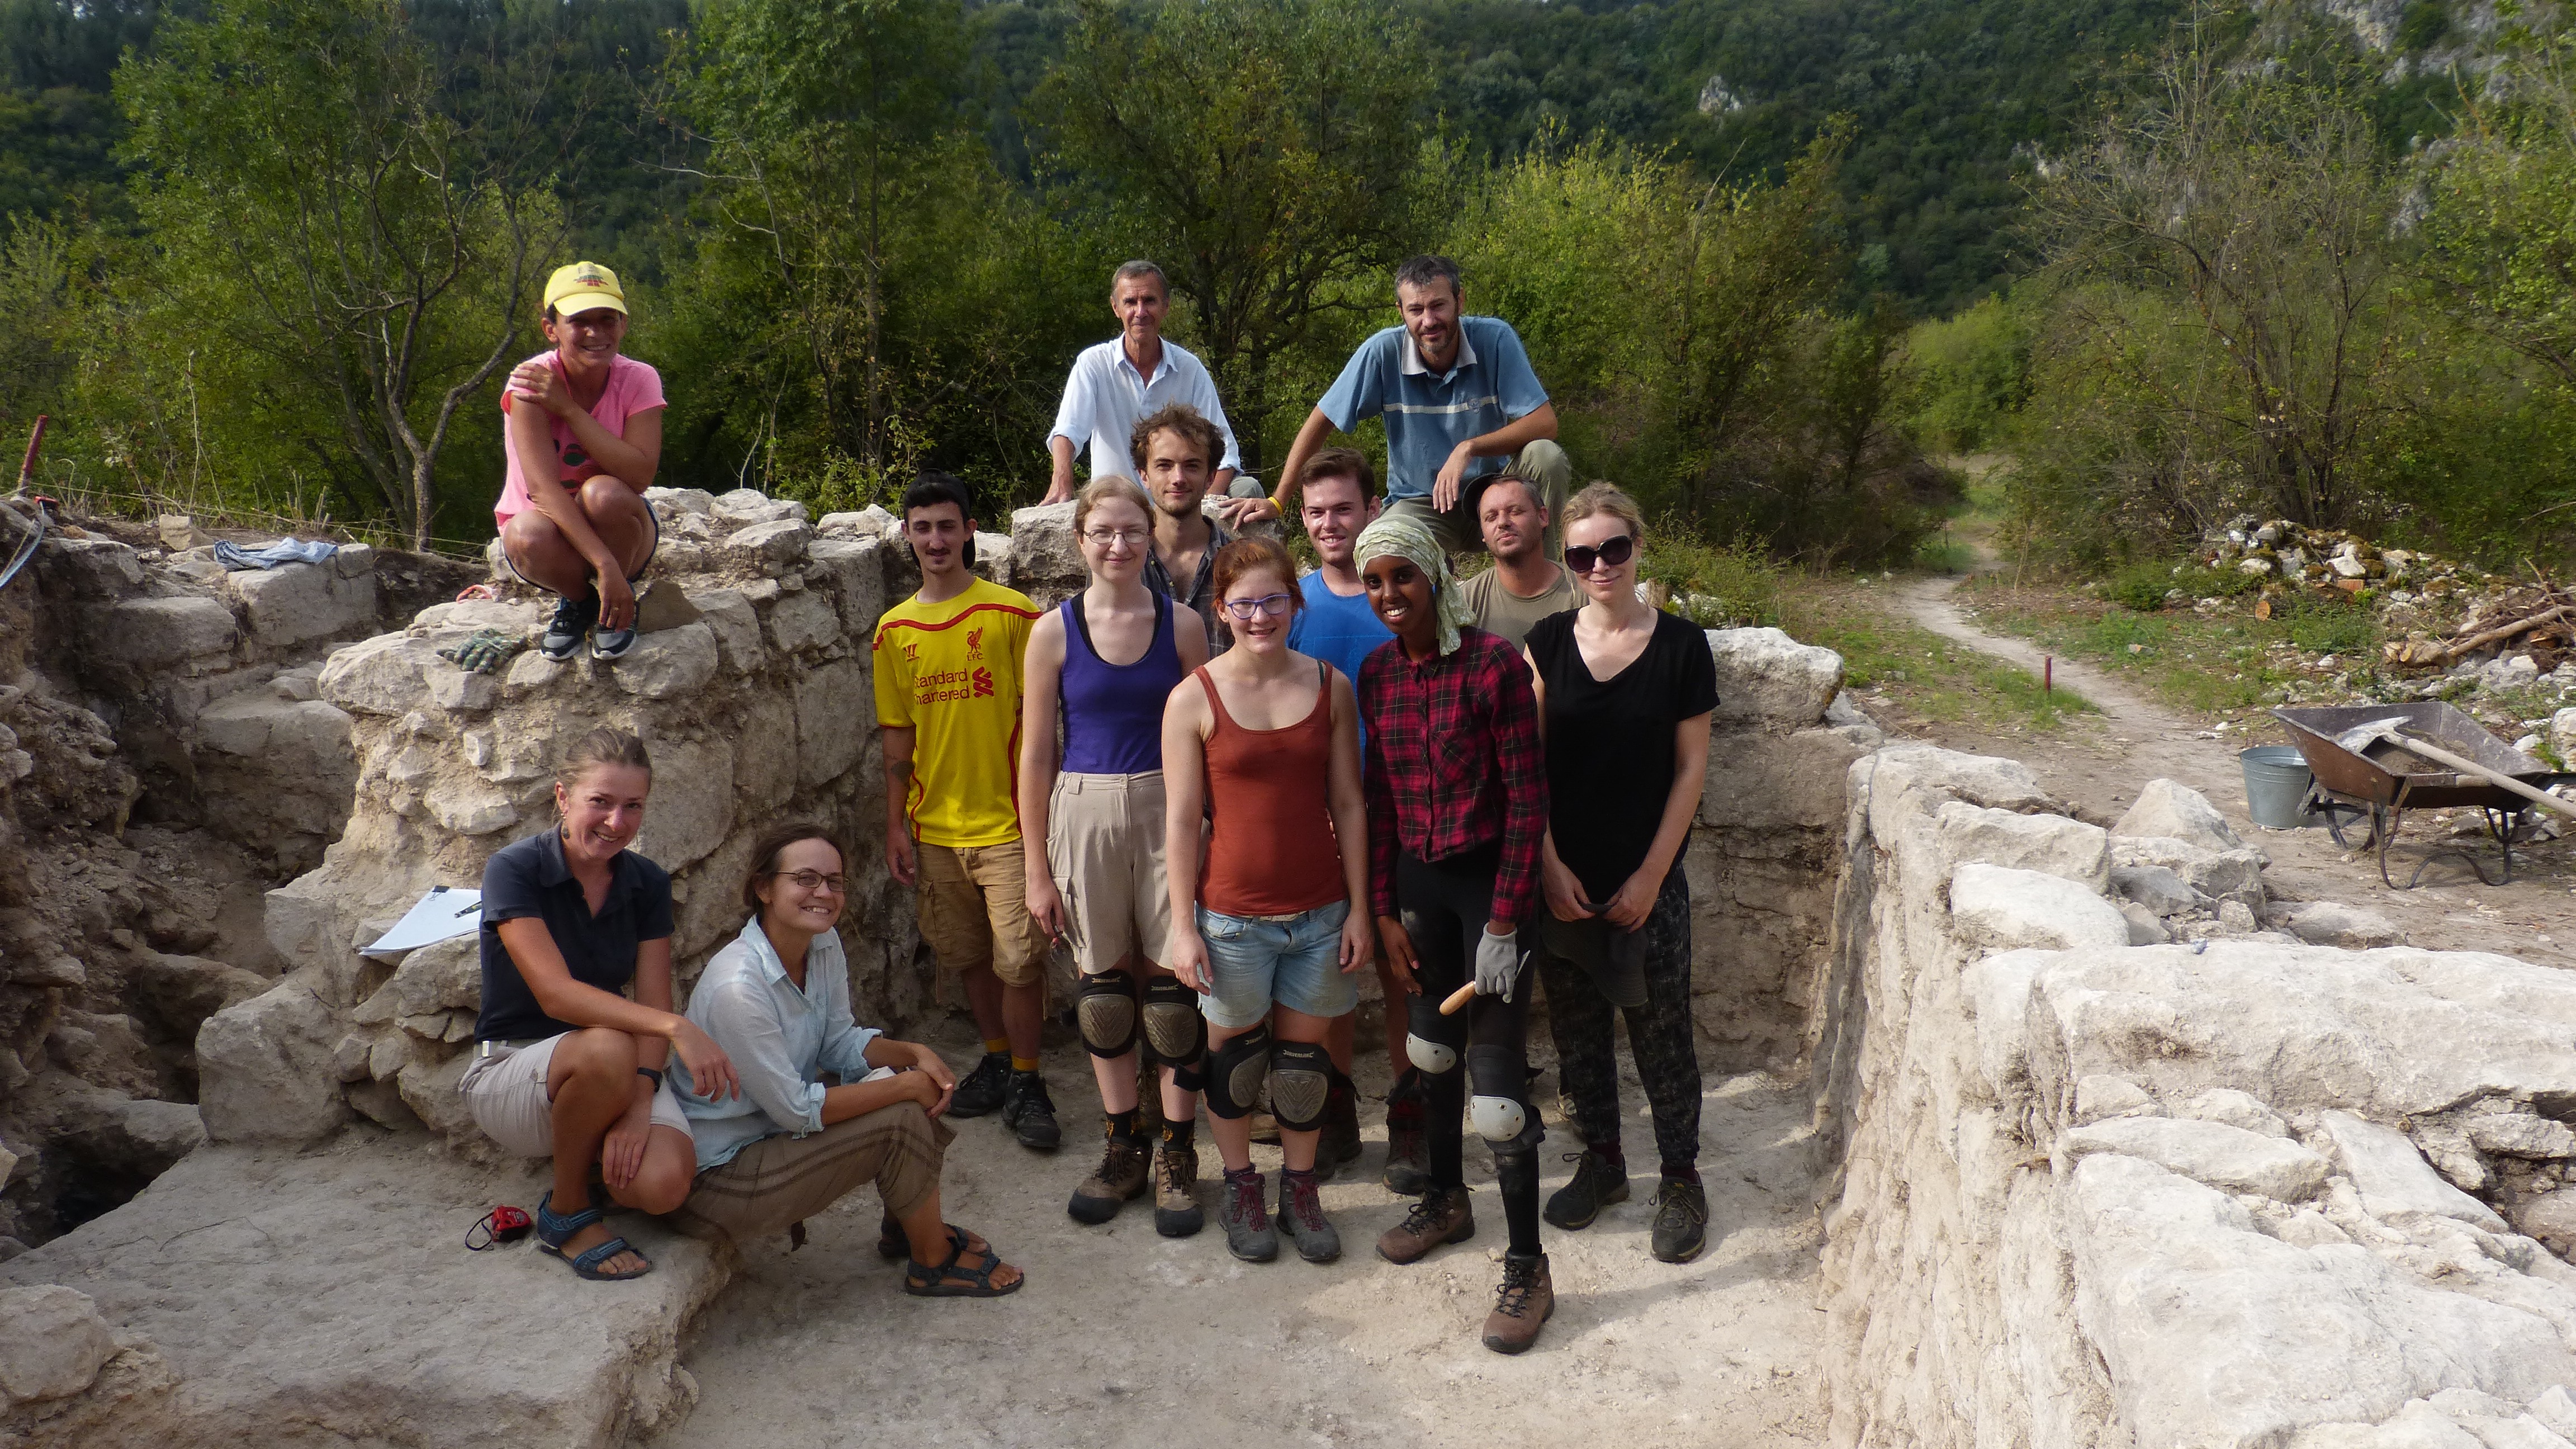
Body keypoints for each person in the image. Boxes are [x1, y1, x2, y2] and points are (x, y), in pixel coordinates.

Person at [1355, 514, 1555, 1355]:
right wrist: (1383, 909)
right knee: (1429, 1056)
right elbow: (1380, 802)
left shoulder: (1494, 667)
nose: (1389, 595)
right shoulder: (1376, 674)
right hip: (1422, 894)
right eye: (1374, 582)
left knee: (1501, 1099)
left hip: (1491, 891)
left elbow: (1526, 803)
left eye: (1403, 577)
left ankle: (1529, 1267)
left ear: (1436, 576)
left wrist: (1507, 921)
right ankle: (1445, 1199)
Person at [674, 827, 1022, 1297]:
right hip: (719, 1180)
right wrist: (904, 1087)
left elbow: (838, 1042)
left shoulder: (821, 945)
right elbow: (797, 1109)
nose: (824, 893)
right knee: (899, 1112)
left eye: (835, 882)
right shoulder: (739, 988)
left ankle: (909, 1223)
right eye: (806, 879)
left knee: (904, 1083)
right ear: (764, 888)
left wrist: (914, 1055)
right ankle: (933, 1263)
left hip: (768, 1141)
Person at [458, 727, 739, 1282]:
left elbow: (655, 997)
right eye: (601, 803)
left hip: (609, 1072)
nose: (617, 823)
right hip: (513, 1068)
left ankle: (594, 1149)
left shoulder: (646, 883)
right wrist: (677, 1026)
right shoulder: (516, 869)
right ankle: (565, 1212)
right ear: (563, 798)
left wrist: (638, 1108)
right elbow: (555, 994)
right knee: (609, 1042)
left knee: (660, 1187)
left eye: (633, 806)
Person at [1163, 536, 1374, 1266]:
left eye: (1273, 600)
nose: (1260, 615)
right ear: (1221, 610)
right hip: (1231, 918)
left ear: (1296, 603)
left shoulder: (1329, 686)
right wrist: (1182, 929)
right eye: (1244, 603)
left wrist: (1360, 910)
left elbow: (1349, 802)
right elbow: (1183, 820)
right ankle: (1243, 1184)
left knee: (1303, 1066)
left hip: (1319, 914)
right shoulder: (1194, 696)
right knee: (1236, 1064)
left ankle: (1303, 1186)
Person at [1526, 485, 1718, 1263]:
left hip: (1650, 878)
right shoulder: (1545, 643)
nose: (1600, 564)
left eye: (1613, 548)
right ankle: (1603, 1161)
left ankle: (1680, 1177)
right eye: (1582, 554)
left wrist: (1650, 876)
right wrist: (1544, 865)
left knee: (1663, 1034)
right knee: (1578, 1034)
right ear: (1568, 563)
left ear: (1638, 546)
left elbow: (1691, 770)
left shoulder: (1681, 647)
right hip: (1565, 876)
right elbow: (1526, 765)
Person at [1018, 476, 1215, 1235]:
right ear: (1080, 541)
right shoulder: (1054, 631)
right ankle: (1121, 1142)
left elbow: (1206, 733)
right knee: (1103, 990)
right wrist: (1038, 870)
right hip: (1085, 803)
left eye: (1132, 531)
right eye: (1102, 532)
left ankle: (1177, 1151)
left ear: (1149, 539)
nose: (1118, 545)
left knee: (1172, 990)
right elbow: (1037, 754)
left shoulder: (1186, 625)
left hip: (1170, 805)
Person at [872, 473, 1056, 1150]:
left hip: (1009, 825)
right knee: (969, 957)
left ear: (970, 529)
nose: (936, 540)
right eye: (922, 528)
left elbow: (1044, 727)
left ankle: (1031, 1080)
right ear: (906, 537)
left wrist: (1044, 823)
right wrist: (895, 824)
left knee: (1020, 961)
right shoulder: (894, 630)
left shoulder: (1013, 615)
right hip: (936, 828)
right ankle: (1000, 1058)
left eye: (947, 526)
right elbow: (898, 734)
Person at [1219, 254, 1570, 558]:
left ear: (1460, 301)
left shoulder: (1495, 339)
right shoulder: (1382, 352)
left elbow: (1545, 424)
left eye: (1438, 305)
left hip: (1494, 495)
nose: (1428, 321)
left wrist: (1470, 448)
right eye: (1416, 310)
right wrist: (1279, 501)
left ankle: (1551, 585)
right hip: (1420, 502)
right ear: (1401, 311)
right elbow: (1320, 421)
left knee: (1546, 456)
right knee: (1382, 547)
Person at [1278, 448, 1396, 1185]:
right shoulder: (1288, 602)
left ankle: (1406, 1105)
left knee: (1391, 963)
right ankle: (1326, 1105)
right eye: (1316, 511)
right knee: (1322, 966)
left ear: (1372, 511)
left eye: (1342, 509)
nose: (1329, 523)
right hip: (1311, 813)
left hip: (1400, 808)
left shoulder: (1398, 596)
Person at [496, 261, 668, 663]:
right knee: (524, 534)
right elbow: (541, 490)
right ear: (551, 328)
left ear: (623, 324)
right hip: (553, 537)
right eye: (579, 321)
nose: (595, 333)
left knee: (603, 493)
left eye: (607, 320)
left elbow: (639, 475)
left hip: (623, 533)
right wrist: (602, 565)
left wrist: (570, 410)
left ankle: (617, 601)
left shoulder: (639, 378)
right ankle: (582, 602)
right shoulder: (529, 384)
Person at [1044, 261, 1243, 505]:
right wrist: (1061, 482)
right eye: (1130, 302)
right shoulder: (1093, 364)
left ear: (1166, 306)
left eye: (1149, 300)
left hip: (1176, 511)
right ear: (1115, 307)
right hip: (1116, 512)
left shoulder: (1190, 370)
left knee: (1247, 489)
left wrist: (1204, 509)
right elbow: (1068, 431)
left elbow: (1225, 455)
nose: (1140, 312)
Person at [1134, 403, 1235, 654]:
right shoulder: (1122, 563)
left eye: (1192, 466)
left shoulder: (1239, 564)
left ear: (1211, 477)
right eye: (1164, 466)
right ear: (1144, 475)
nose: (1178, 478)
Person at [1460, 467, 1578, 655]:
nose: (1503, 523)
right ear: (1482, 533)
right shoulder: (1466, 602)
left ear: (1543, 517)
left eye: (1514, 511)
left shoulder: (1581, 591)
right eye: (1491, 517)